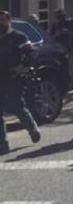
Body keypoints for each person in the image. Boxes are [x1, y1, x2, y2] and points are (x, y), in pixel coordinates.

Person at [0, 11, 42, 154]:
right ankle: (2, 144)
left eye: (3, 20)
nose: (1, 23)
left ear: (8, 20)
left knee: (17, 107)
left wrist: (22, 67)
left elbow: (31, 53)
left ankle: (32, 128)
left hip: (13, 78)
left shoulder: (18, 37)